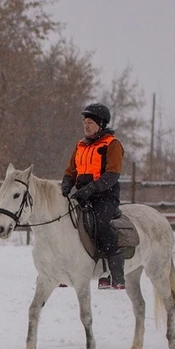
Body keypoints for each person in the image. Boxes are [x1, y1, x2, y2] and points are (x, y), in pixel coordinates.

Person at [61, 103, 126, 290]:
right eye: (85, 122)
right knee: (65, 221)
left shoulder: (112, 145)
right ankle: (63, 270)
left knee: (100, 223)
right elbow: (71, 170)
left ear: (101, 125)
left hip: (105, 195)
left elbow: (112, 174)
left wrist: (92, 188)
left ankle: (114, 274)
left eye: (90, 122)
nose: (86, 126)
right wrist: (66, 184)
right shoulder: (80, 145)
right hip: (82, 195)